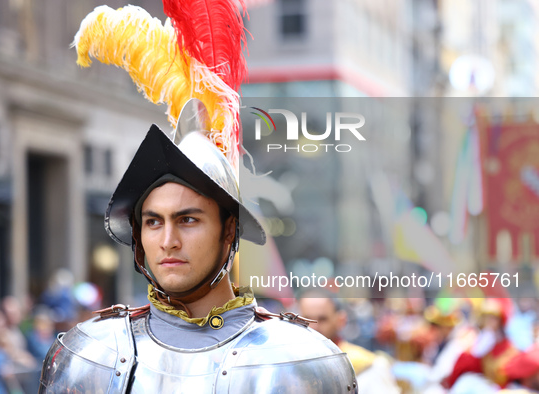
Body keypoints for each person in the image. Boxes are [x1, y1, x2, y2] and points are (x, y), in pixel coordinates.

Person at [38, 2, 357, 393]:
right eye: (153, 221)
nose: (167, 240)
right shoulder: (90, 354)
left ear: (229, 231)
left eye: (187, 219)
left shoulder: (300, 362)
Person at [298, 291, 400, 394]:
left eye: (323, 319)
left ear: (340, 320)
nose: (313, 327)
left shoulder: (371, 366)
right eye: (305, 320)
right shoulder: (292, 364)